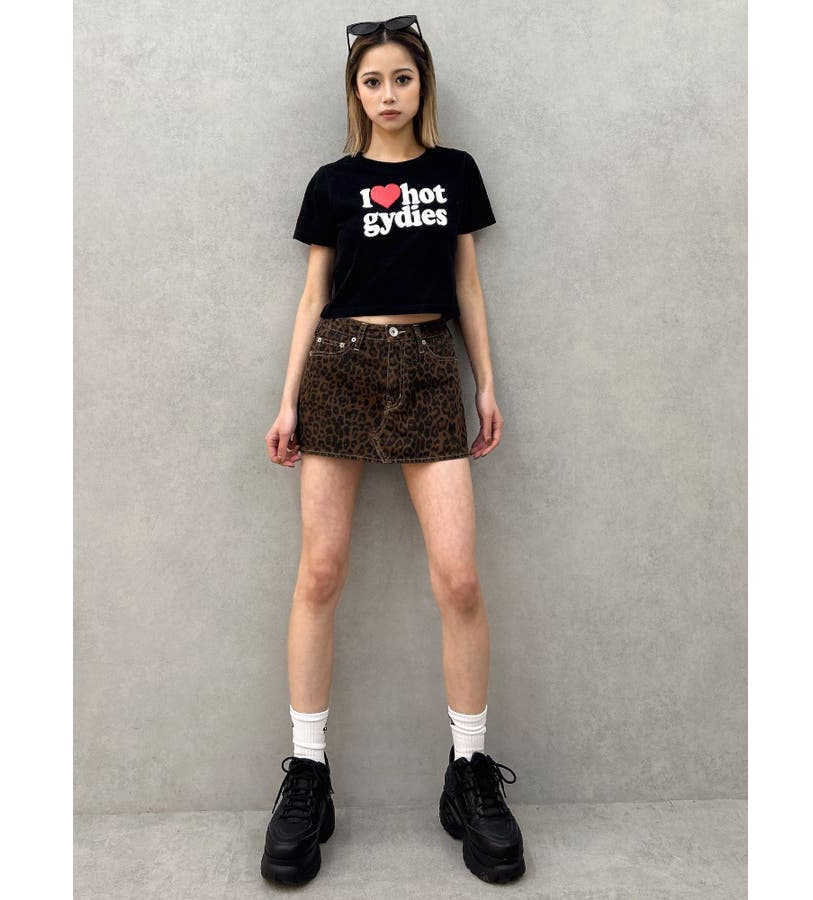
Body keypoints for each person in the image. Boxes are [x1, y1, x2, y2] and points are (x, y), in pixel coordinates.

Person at [260, 15, 525, 886]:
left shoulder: (454, 173)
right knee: (320, 573)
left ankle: (469, 771)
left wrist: (486, 383)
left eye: (401, 79)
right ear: (356, 92)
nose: (387, 94)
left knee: (460, 578)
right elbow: (312, 297)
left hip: (428, 368)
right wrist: (287, 400)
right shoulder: (333, 183)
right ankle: (308, 776)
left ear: (422, 86)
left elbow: (467, 283)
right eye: (372, 81)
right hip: (339, 366)